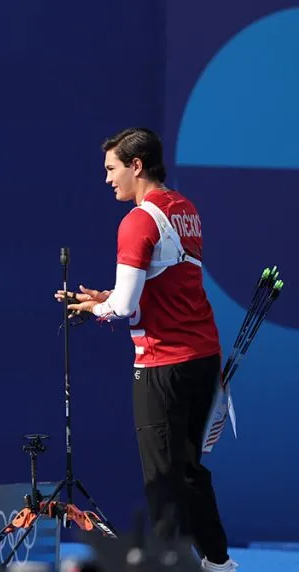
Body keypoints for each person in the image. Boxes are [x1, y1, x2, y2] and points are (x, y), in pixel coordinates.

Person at [55, 127, 237, 572]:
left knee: (162, 477)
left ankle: (165, 566)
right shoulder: (184, 208)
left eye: (112, 169)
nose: (107, 179)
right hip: (202, 358)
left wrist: (93, 310)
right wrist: (107, 299)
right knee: (189, 469)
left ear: (136, 166)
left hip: (163, 365)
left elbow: (126, 304)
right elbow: (164, 283)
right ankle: (218, 564)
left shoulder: (137, 221)